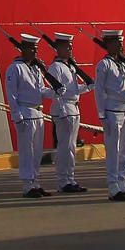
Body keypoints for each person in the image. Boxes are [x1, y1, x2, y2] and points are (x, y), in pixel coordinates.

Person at [2, 34, 54, 198]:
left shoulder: (35, 68)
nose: (34, 52)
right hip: (25, 113)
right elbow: (12, 94)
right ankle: (27, 184)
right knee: (27, 151)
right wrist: (16, 114)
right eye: (31, 48)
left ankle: (35, 181)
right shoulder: (15, 68)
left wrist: (55, 92)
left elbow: (40, 90)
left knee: (37, 151)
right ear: (23, 49)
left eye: (35, 49)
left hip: (38, 113)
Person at [91, 31, 125, 201]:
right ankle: (113, 187)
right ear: (108, 44)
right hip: (113, 111)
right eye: (117, 43)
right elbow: (99, 90)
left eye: (121, 43)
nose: (120, 46)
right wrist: (102, 115)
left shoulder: (124, 64)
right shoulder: (104, 65)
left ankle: (122, 184)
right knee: (114, 150)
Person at [43, 33, 92, 194]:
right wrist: (63, 110)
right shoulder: (55, 67)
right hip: (64, 111)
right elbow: (55, 91)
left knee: (70, 147)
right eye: (66, 46)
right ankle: (63, 181)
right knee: (64, 147)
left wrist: (88, 87)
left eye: (71, 46)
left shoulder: (70, 66)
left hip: (73, 109)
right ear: (58, 48)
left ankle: (70, 179)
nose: (70, 49)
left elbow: (73, 90)